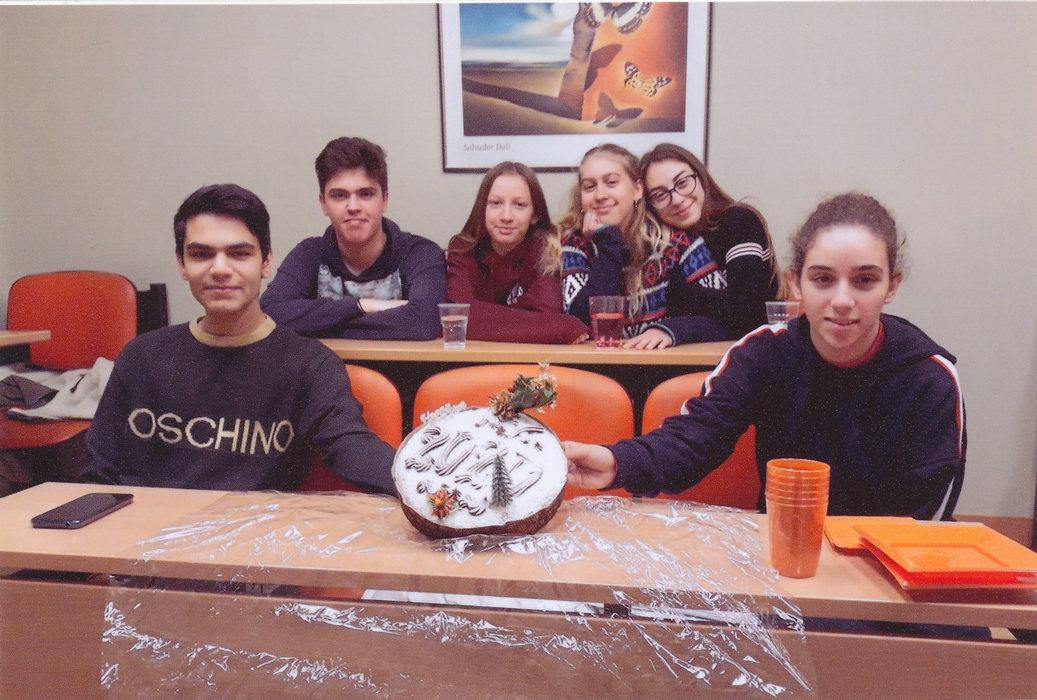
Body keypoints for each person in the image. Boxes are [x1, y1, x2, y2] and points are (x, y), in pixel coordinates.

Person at [565, 192, 965, 519]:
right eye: (823, 279)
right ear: (796, 283)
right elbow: (696, 438)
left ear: (891, 286)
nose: (843, 300)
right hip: (782, 552)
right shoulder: (764, 353)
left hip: (881, 570)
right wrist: (616, 461)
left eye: (865, 280)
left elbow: (923, 516)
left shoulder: (928, 376)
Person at [82, 184, 396, 494]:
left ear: (266, 262)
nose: (220, 269)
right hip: (147, 523)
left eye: (239, 254)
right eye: (201, 254)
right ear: (182, 264)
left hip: (254, 525)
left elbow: (350, 445)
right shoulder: (141, 356)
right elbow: (99, 472)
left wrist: (421, 486)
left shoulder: (310, 365)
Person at [260, 137, 445, 339]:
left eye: (366, 194)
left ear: (384, 200)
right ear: (323, 203)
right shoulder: (309, 253)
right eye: (339, 196)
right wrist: (362, 305)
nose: (353, 207)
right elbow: (271, 312)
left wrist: (317, 323)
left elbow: (423, 322)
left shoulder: (420, 253)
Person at [550, 143, 730, 348]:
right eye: (590, 187)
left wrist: (671, 330)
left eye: (611, 182)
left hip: (666, 363)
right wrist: (609, 246)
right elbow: (578, 325)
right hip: (595, 364)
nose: (600, 195)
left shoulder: (677, 244)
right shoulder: (575, 245)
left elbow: (724, 319)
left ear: (637, 189)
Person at [637, 143, 781, 348]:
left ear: (700, 176)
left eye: (683, 183)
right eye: (660, 195)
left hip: (756, 352)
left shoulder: (738, 220)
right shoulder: (666, 247)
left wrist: (682, 294)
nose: (676, 199)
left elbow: (748, 312)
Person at [446, 161, 589, 344]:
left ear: (534, 215)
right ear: (483, 209)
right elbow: (458, 317)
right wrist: (564, 328)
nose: (506, 216)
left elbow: (549, 314)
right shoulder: (463, 248)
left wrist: (482, 315)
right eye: (496, 203)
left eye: (519, 205)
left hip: (531, 357)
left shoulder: (544, 248)